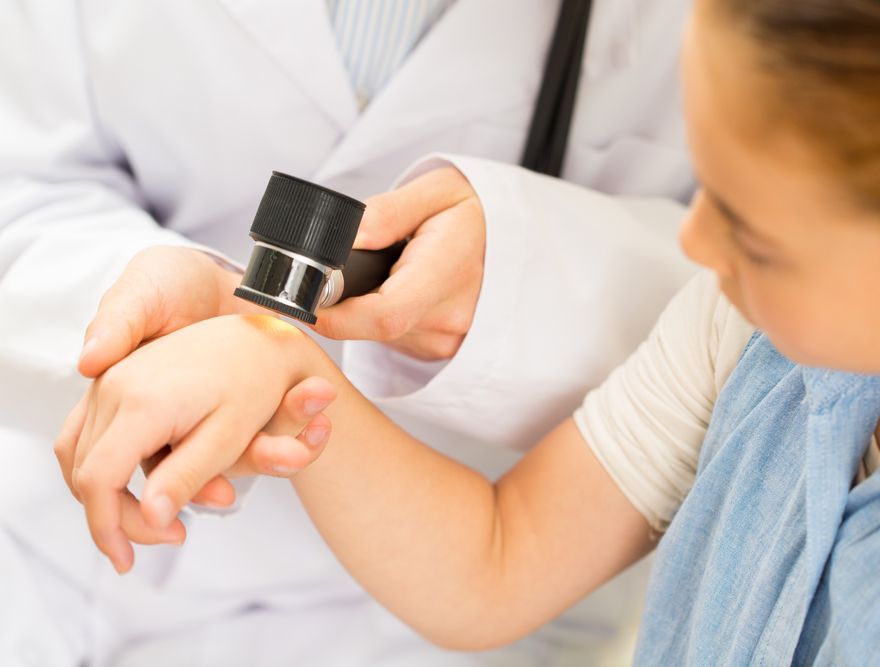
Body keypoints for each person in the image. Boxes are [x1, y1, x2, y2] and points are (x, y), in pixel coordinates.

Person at [58, 0, 880, 663]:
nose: (691, 240)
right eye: (707, 188)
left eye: (754, 233)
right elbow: (494, 558)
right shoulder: (743, 330)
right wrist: (268, 349)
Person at [0, 1, 697, 665]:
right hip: (60, 563)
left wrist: (526, 269)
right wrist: (165, 323)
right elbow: (23, 178)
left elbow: (746, 294)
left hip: (447, 591)